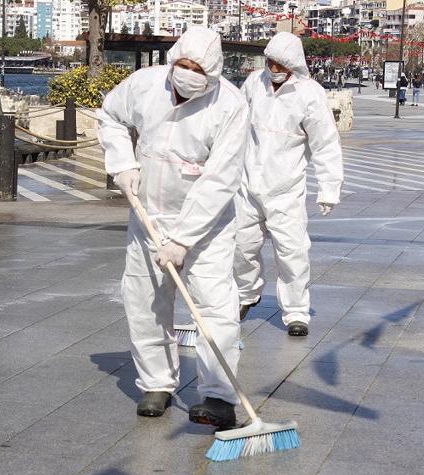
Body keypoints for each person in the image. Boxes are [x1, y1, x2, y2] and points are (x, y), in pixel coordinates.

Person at [97, 27, 248, 427]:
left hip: (206, 226)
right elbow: (110, 116)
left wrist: (183, 239)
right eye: (183, 65)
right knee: (146, 302)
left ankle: (217, 395)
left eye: (197, 69)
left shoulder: (230, 106)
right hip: (148, 215)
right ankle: (157, 382)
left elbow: (221, 178)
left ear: (213, 74)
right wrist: (123, 163)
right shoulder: (145, 85)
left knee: (215, 309)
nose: (187, 74)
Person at [234, 32, 344, 338]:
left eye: (279, 63)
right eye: (270, 61)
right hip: (247, 184)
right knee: (241, 247)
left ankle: (296, 312)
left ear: (293, 64)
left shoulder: (310, 94)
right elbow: (235, 122)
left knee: (292, 254)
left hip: (286, 189)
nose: (273, 67)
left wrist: (329, 187)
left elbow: (325, 144)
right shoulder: (254, 84)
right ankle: (246, 293)